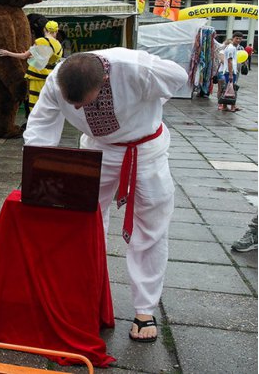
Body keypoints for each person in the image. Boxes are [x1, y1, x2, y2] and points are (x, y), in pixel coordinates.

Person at [24, 48, 188, 343]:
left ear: (104, 82)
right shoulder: (56, 80)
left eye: (82, 104)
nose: (75, 110)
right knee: (84, 220)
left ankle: (145, 309)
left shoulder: (136, 67)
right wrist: (36, 172)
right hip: (98, 149)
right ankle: (87, 295)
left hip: (146, 149)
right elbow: (41, 126)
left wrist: (151, 98)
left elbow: (178, 76)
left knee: (151, 227)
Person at [0, 17, 63, 116]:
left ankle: (37, 126)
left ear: (44, 30)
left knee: (35, 104)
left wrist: (7, 53)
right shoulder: (58, 45)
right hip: (50, 77)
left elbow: (24, 56)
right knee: (48, 103)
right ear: (56, 31)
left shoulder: (41, 41)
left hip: (37, 75)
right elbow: (47, 58)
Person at [218, 32, 243, 112]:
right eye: (237, 38)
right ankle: (232, 107)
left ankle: (225, 106)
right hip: (229, 72)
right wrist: (231, 74)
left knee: (227, 89)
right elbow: (229, 61)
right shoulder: (231, 48)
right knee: (232, 89)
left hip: (229, 71)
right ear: (233, 38)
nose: (238, 40)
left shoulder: (232, 47)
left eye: (240, 39)